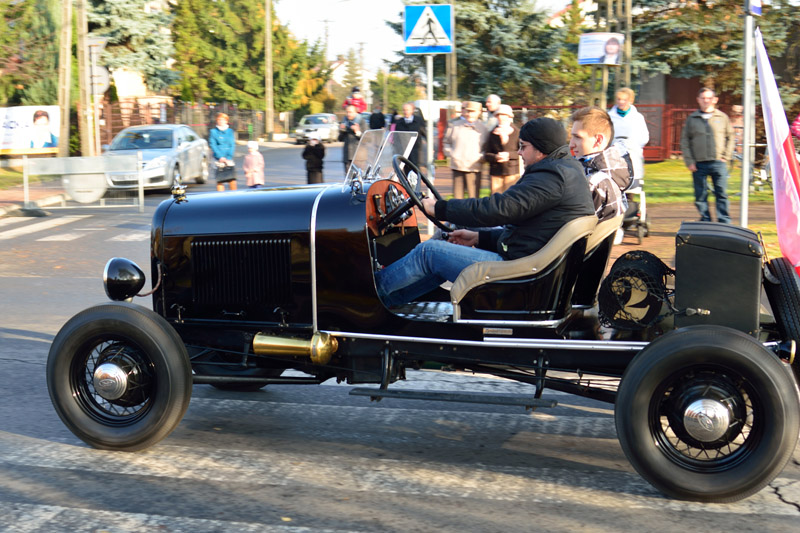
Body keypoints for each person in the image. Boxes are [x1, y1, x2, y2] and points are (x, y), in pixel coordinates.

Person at [375, 117, 595, 307]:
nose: (518, 152)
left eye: (523, 146)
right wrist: (479, 238)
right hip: (533, 263)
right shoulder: (564, 168)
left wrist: (440, 209)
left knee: (429, 253)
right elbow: (531, 232)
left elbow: (499, 209)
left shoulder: (551, 177)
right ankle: (390, 303)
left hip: (523, 274)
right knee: (449, 239)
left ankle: (367, 296)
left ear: (541, 149)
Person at [570, 107, 633, 222]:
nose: (571, 144)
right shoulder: (613, 174)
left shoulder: (594, 182)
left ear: (598, 140)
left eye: (577, 137)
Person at [681, 88, 734, 224]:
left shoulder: (722, 118)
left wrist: (725, 157)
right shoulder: (692, 119)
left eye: (709, 98)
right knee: (700, 195)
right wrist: (690, 161)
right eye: (703, 98)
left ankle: (724, 221)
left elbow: (730, 137)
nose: (706, 101)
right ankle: (705, 220)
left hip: (718, 162)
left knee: (721, 193)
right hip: (699, 163)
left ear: (715, 100)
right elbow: (685, 141)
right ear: (698, 100)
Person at [443, 101, 489, 199]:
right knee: (457, 197)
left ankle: (472, 214)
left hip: (474, 167)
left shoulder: (484, 129)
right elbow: (446, 142)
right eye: (467, 111)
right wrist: (452, 153)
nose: (469, 114)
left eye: (473, 111)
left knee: (473, 197)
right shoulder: (455, 126)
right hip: (458, 165)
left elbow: (487, 148)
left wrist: (480, 157)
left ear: (479, 112)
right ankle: (457, 214)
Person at [608, 88, 649, 187]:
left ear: (630, 100)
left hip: (632, 151)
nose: (621, 102)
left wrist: (633, 145)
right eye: (619, 99)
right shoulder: (609, 116)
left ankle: (631, 201)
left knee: (632, 178)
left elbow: (644, 136)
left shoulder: (637, 117)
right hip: (614, 152)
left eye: (624, 100)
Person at [483, 104, 520, 194]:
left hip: (512, 171)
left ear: (509, 116)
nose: (501, 117)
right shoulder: (492, 133)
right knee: (496, 199)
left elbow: (521, 151)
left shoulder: (517, 132)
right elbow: (487, 154)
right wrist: (496, 157)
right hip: (496, 171)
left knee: (511, 198)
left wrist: (509, 155)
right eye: (498, 115)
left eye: (503, 115)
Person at [392, 102, 426, 170]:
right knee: (405, 169)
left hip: (415, 150)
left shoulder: (418, 121)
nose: (405, 112)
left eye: (407, 110)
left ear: (412, 110)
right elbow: (396, 138)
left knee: (415, 169)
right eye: (404, 110)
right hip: (404, 150)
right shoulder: (399, 122)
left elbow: (424, 134)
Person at [209, 113, 237, 191]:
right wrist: (220, 157)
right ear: (217, 121)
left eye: (223, 120)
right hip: (218, 159)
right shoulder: (213, 132)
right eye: (219, 119)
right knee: (220, 180)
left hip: (228, 158)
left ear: (226, 121)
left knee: (232, 180)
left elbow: (232, 145)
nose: (221, 121)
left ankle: (235, 198)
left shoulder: (230, 131)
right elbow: (213, 145)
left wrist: (228, 157)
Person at [339, 104, 366, 174]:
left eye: (350, 112)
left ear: (355, 112)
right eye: (347, 112)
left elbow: (368, 139)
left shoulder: (361, 122)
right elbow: (340, 139)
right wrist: (341, 130)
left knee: (359, 180)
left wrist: (357, 132)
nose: (348, 114)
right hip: (347, 157)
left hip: (359, 158)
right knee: (348, 181)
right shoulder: (345, 122)